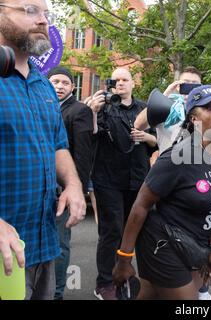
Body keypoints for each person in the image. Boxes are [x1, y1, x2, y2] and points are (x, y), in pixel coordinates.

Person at [112, 85, 211, 299]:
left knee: (150, 295)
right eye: (210, 107)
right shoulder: (177, 156)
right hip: (162, 244)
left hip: (192, 245)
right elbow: (140, 206)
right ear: (194, 119)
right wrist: (123, 260)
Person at [0, 0, 86, 300]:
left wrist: (73, 184)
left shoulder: (44, 85)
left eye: (46, 14)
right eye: (30, 10)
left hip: (44, 245)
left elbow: (58, 146)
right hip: (3, 254)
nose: (43, 21)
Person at [85, 68, 157, 300]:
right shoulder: (103, 107)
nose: (120, 84)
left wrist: (146, 137)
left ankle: (125, 276)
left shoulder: (145, 109)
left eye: (125, 79)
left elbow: (160, 142)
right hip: (108, 179)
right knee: (111, 230)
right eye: (116, 80)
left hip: (137, 179)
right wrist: (93, 112)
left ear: (133, 83)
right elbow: (90, 135)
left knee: (135, 231)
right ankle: (105, 282)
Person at [48, 66, 94, 300]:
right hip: (39, 187)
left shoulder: (80, 111)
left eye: (65, 82)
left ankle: (57, 292)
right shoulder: (41, 106)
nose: (59, 86)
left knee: (59, 243)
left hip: (63, 189)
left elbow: (83, 155)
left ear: (72, 87)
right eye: (55, 81)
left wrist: (77, 188)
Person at [134, 66, 202, 154]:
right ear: (178, 86)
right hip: (169, 163)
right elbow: (138, 125)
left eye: (194, 85)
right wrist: (164, 95)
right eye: (186, 84)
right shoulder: (165, 106)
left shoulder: (206, 109)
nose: (190, 89)